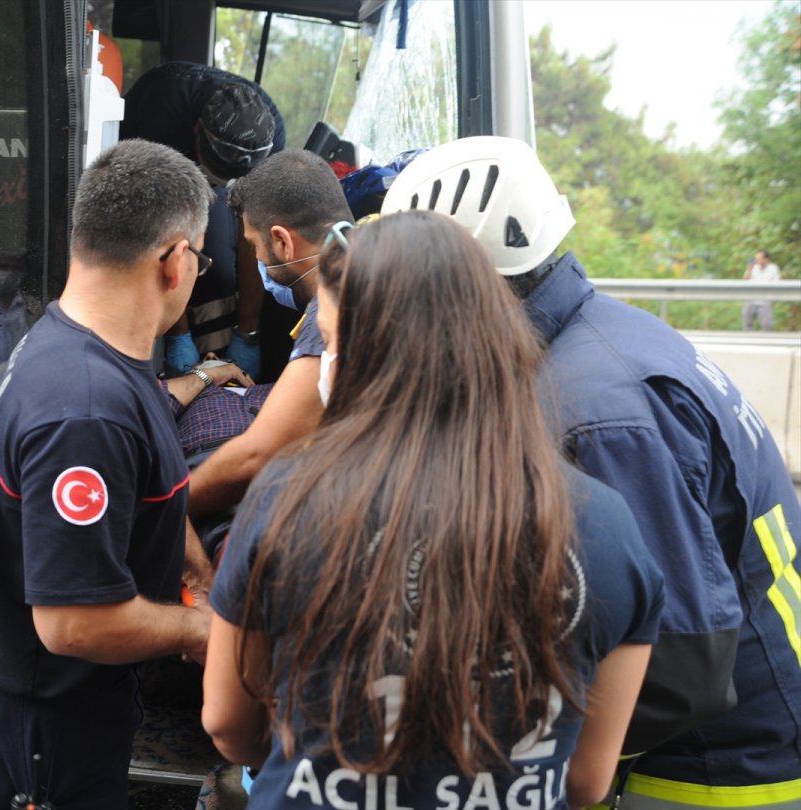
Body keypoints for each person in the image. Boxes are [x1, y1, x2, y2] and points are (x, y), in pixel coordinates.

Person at [382, 136, 801, 807]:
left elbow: (677, 666)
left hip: (711, 769)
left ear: (464, 285)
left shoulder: (590, 413)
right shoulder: (609, 336)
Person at [201, 210, 666, 808]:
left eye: (333, 342)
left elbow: (227, 723)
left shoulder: (285, 498)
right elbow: (587, 781)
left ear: (366, 356)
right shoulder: (606, 528)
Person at [0, 139, 229, 810]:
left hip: (68, 701)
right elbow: (73, 624)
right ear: (175, 260)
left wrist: (199, 577)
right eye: (200, 260)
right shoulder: (86, 409)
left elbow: (140, 491)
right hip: (44, 723)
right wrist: (202, 631)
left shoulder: (85, 345)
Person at [187, 149, 353, 543]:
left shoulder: (331, 314)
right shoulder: (379, 256)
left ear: (282, 242)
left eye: (254, 245)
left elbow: (257, 456)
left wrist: (164, 508)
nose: (257, 258)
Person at [122, 62, 286, 378]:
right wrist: (176, 333)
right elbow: (160, 231)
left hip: (213, 170)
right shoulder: (158, 112)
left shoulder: (271, 133)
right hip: (152, 180)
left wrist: (247, 332)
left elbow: (253, 230)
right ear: (197, 130)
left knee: (221, 272)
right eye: (216, 174)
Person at [742, 249, 781, 331]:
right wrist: (749, 269)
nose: (757, 261)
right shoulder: (753, 267)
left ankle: (765, 341)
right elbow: (745, 280)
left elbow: (776, 284)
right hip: (750, 299)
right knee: (746, 324)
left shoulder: (773, 268)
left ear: (766, 259)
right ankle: (747, 341)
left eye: (759, 259)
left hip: (765, 301)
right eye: (756, 259)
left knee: (767, 326)